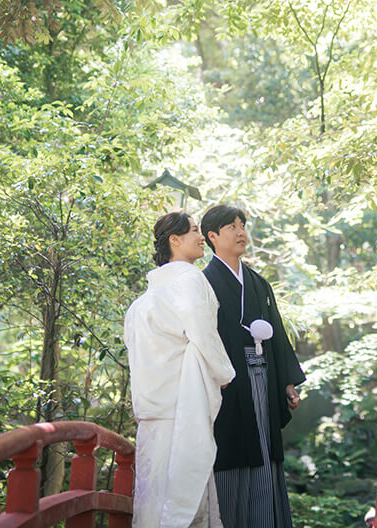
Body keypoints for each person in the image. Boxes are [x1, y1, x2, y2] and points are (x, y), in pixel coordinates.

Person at [125, 212, 236, 528]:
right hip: (182, 410)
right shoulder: (189, 279)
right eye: (195, 231)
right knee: (186, 504)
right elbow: (203, 333)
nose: (201, 237)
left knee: (152, 502)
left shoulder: (141, 304)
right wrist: (223, 374)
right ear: (174, 240)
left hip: (152, 415)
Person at [200, 204, 305, 528]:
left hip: (263, 378)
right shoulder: (204, 284)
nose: (241, 231)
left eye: (242, 225)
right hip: (228, 384)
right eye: (232, 227)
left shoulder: (259, 284)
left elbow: (278, 336)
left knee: (263, 448)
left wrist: (287, 382)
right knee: (232, 449)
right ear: (212, 236)